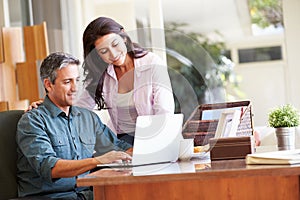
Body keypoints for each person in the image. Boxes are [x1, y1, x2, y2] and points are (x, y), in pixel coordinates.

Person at [28, 16, 175, 145]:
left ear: (123, 36)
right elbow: (80, 108)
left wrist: (154, 145)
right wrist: (48, 106)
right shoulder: (101, 73)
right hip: (122, 140)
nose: (113, 54)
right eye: (104, 51)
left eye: (115, 44)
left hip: (154, 135)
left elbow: (164, 111)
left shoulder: (152, 63)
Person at [16, 52, 132, 199]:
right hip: (53, 197)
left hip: (87, 195)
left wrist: (151, 152)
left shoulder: (87, 118)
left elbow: (120, 148)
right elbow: (50, 167)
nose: (75, 88)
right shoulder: (32, 121)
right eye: (67, 82)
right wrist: (98, 160)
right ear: (48, 84)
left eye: (77, 80)